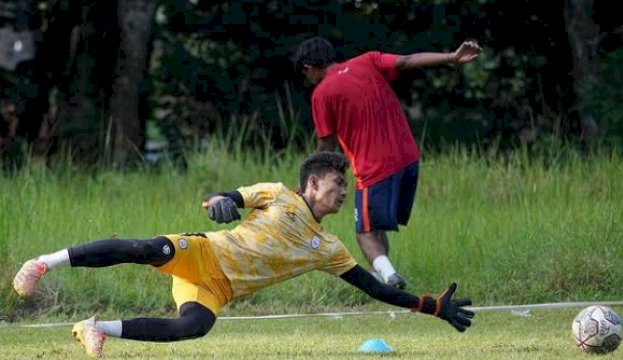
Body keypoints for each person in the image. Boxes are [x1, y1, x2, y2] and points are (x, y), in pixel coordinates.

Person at [13, 152, 474, 358]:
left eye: (343, 189)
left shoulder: (330, 249)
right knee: (146, 248)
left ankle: (94, 329)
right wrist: (221, 203)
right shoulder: (275, 194)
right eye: (337, 187)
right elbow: (223, 196)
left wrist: (428, 305)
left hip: (219, 288)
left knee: (194, 328)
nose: (341, 196)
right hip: (203, 254)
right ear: (312, 183)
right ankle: (43, 263)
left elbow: (373, 287)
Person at [293, 37, 482, 289]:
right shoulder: (367, 60)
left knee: (365, 233)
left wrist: (308, 183)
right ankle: (382, 278)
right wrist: (451, 56)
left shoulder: (322, 94)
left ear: (308, 67)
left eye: (306, 76)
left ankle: (390, 279)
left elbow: (326, 144)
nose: (308, 82)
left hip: (374, 169)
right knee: (376, 227)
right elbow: (406, 60)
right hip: (409, 159)